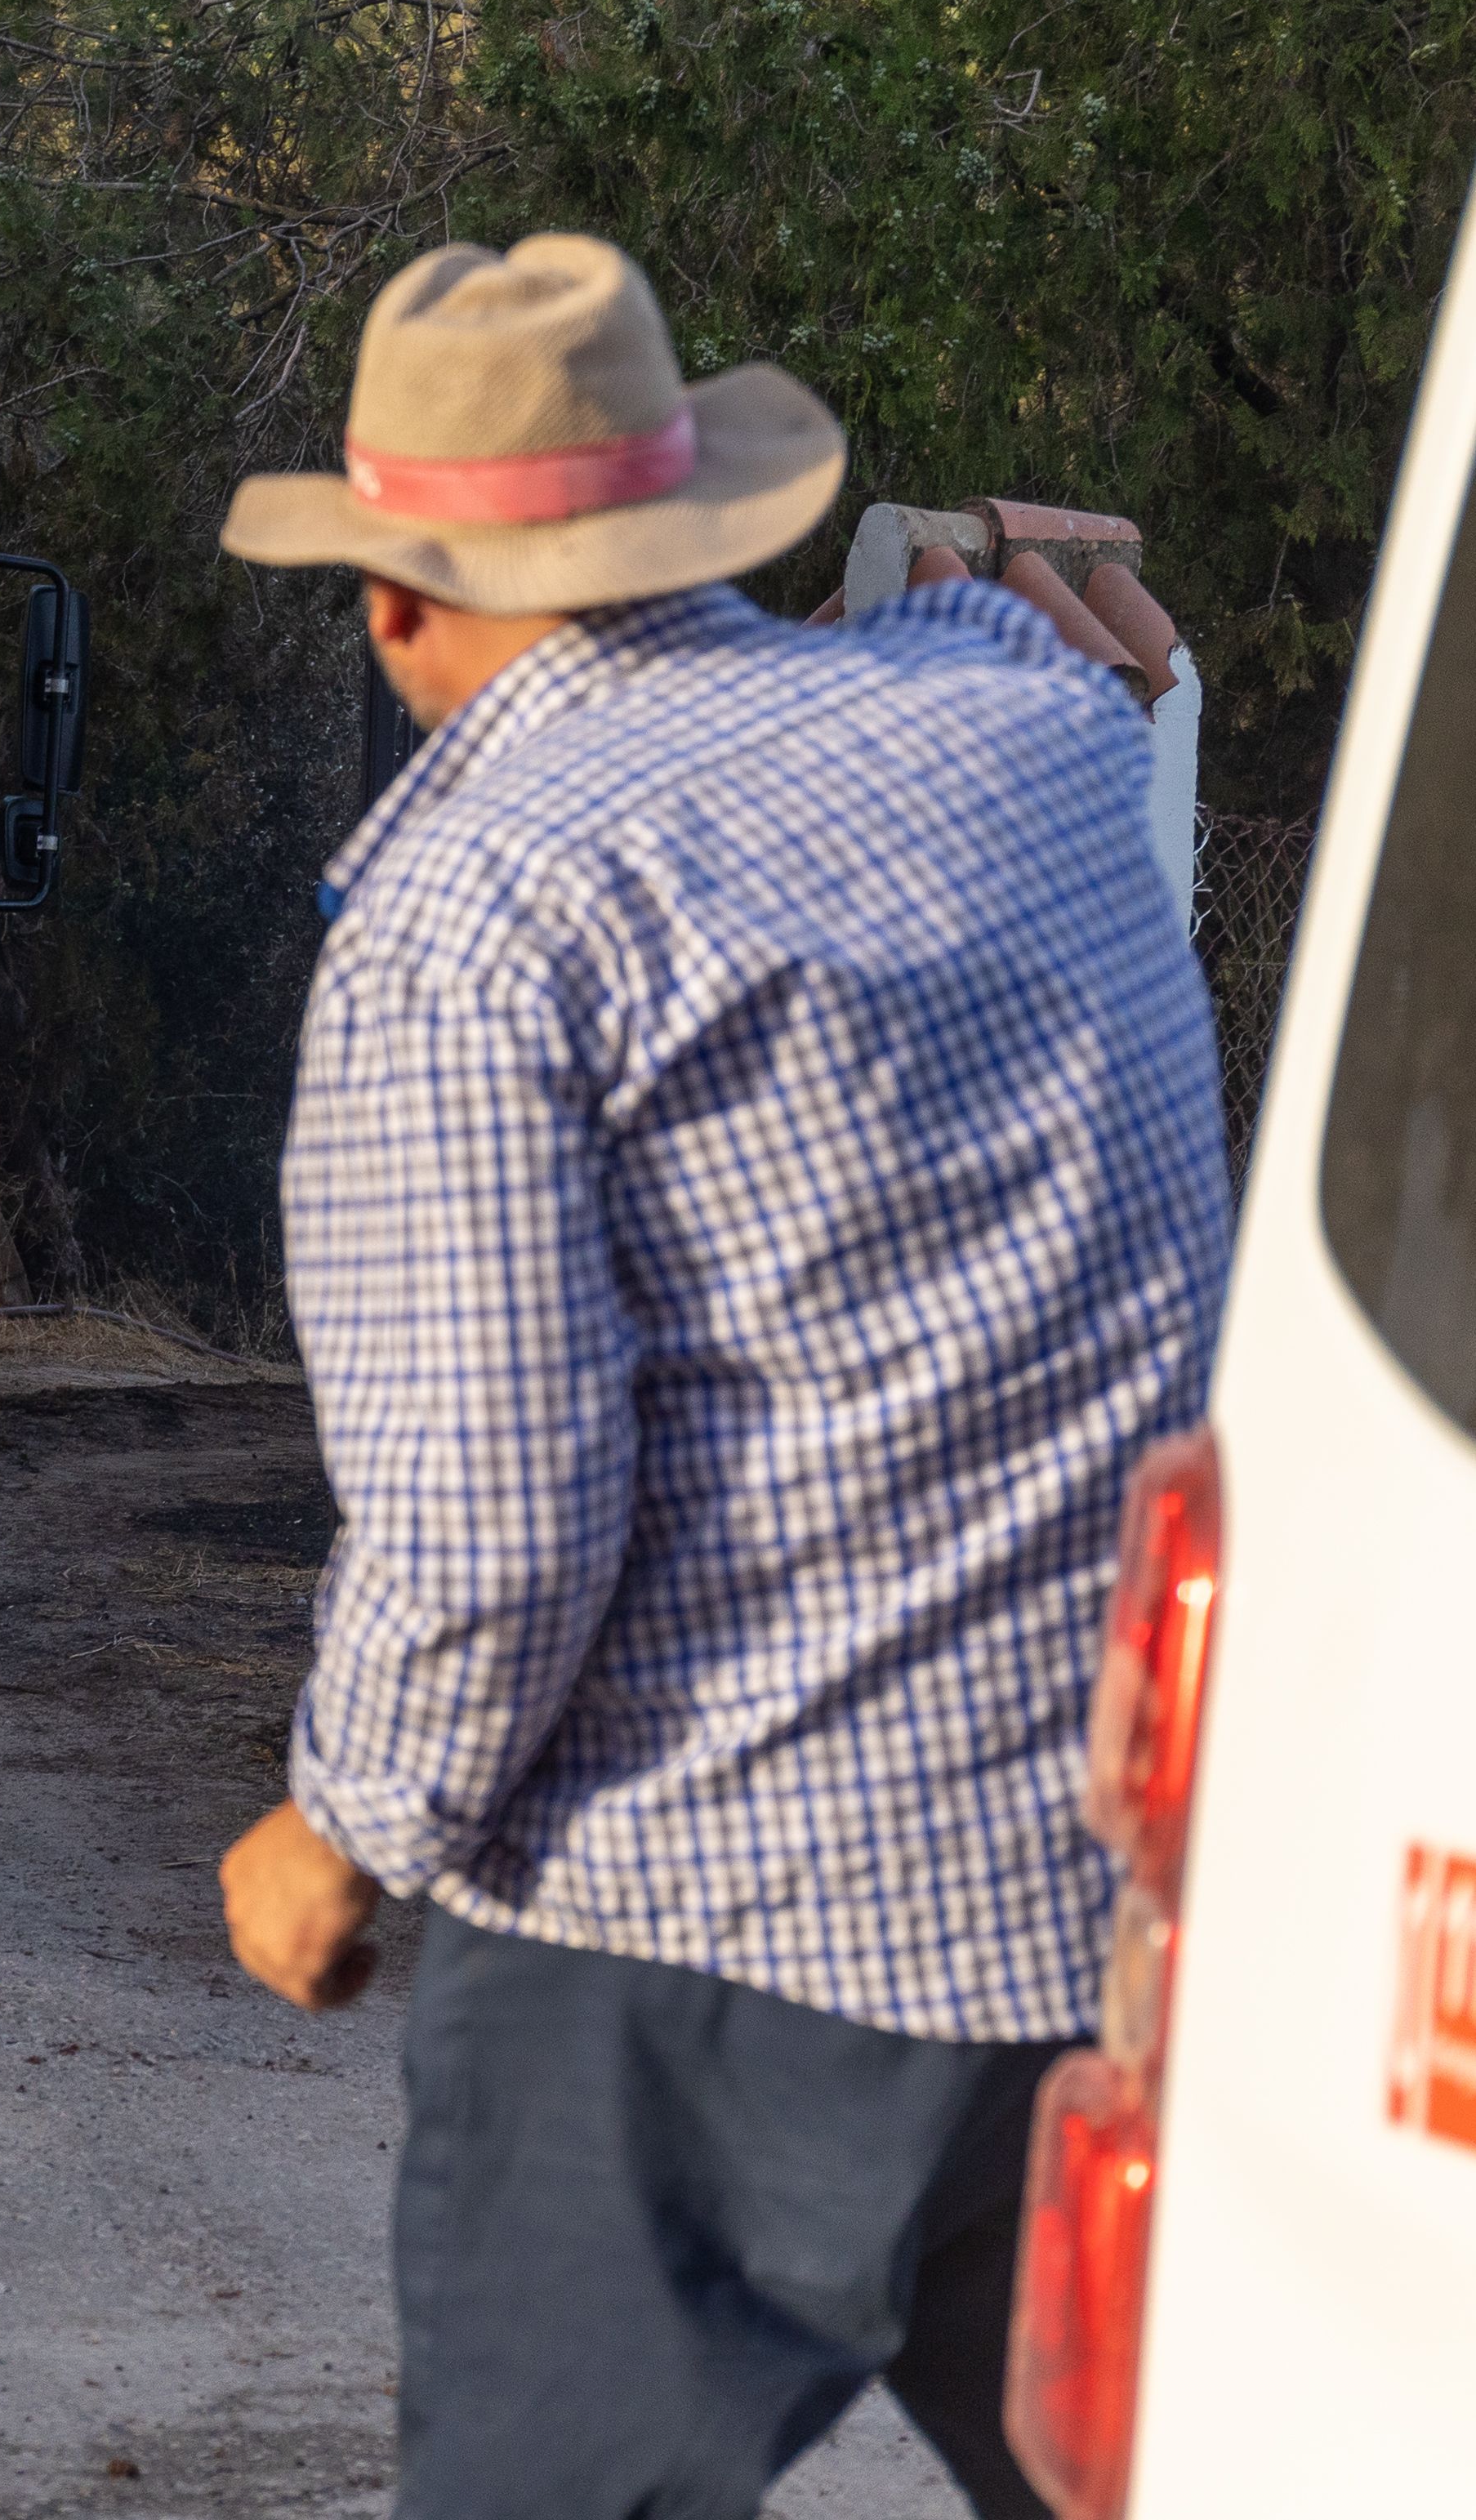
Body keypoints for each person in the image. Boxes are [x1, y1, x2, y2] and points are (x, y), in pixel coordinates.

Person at [211, 236, 1232, 2518]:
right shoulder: (1048, 738)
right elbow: (983, 621)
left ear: (391, 597)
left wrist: (337, 1827)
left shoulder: (475, 919)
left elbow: (493, 1534)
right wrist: (965, 570)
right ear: (706, 527)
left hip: (680, 1952)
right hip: (1088, 1928)